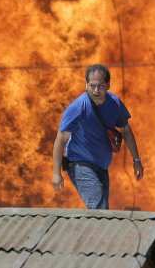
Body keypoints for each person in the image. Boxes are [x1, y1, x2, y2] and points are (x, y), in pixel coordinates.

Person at [51, 64, 144, 209]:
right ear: (86, 84)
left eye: (100, 86)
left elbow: (126, 131)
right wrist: (56, 173)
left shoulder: (115, 103)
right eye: (92, 85)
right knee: (99, 209)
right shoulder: (78, 107)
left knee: (102, 213)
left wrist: (136, 159)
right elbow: (60, 140)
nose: (96, 91)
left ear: (108, 85)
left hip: (101, 167)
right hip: (79, 164)